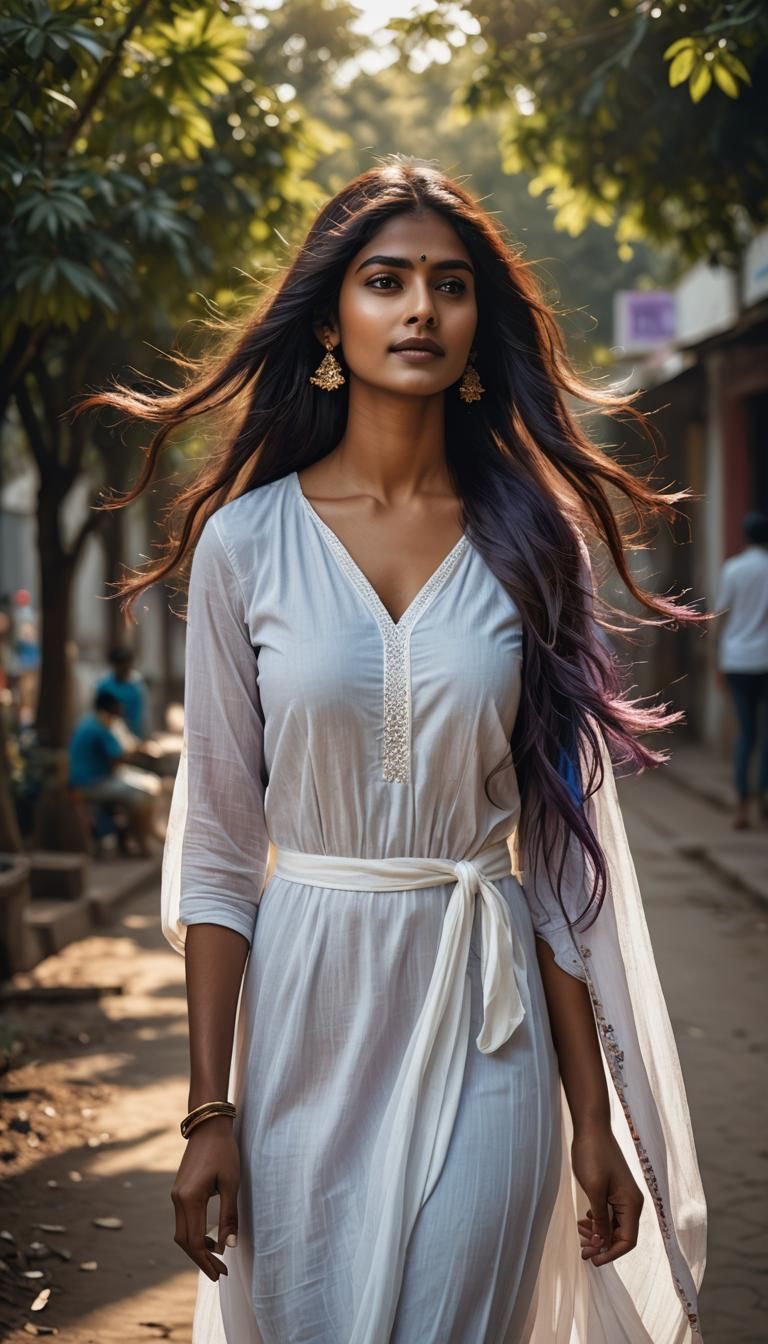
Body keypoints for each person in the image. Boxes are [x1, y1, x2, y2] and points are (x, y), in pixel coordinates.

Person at [78, 159, 707, 1343]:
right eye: (386, 281)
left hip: (491, 1018)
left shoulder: (537, 544)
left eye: (450, 285)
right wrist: (207, 1109)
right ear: (332, 319)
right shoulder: (242, 546)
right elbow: (219, 850)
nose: (421, 308)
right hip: (305, 1021)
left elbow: (554, 855)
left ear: (479, 324)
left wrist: (590, 1117)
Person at [714, 510, 768, 829]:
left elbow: (720, 616)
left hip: (736, 659)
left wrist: (715, 660)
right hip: (765, 660)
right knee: (765, 734)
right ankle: (762, 797)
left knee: (746, 733)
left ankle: (742, 808)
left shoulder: (733, 569)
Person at [68, 689, 159, 857]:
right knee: (142, 798)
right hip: (90, 785)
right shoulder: (100, 727)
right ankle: (141, 844)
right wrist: (141, 752)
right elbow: (117, 757)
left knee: (138, 789)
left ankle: (127, 842)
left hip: (86, 781)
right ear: (108, 711)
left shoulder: (89, 722)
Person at [96, 645, 148, 739]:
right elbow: (99, 712)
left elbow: (143, 711)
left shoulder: (136, 684)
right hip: (111, 732)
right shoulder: (105, 685)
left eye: (127, 664)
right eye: (120, 664)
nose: (124, 668)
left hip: (134, 731)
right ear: (114, 665)